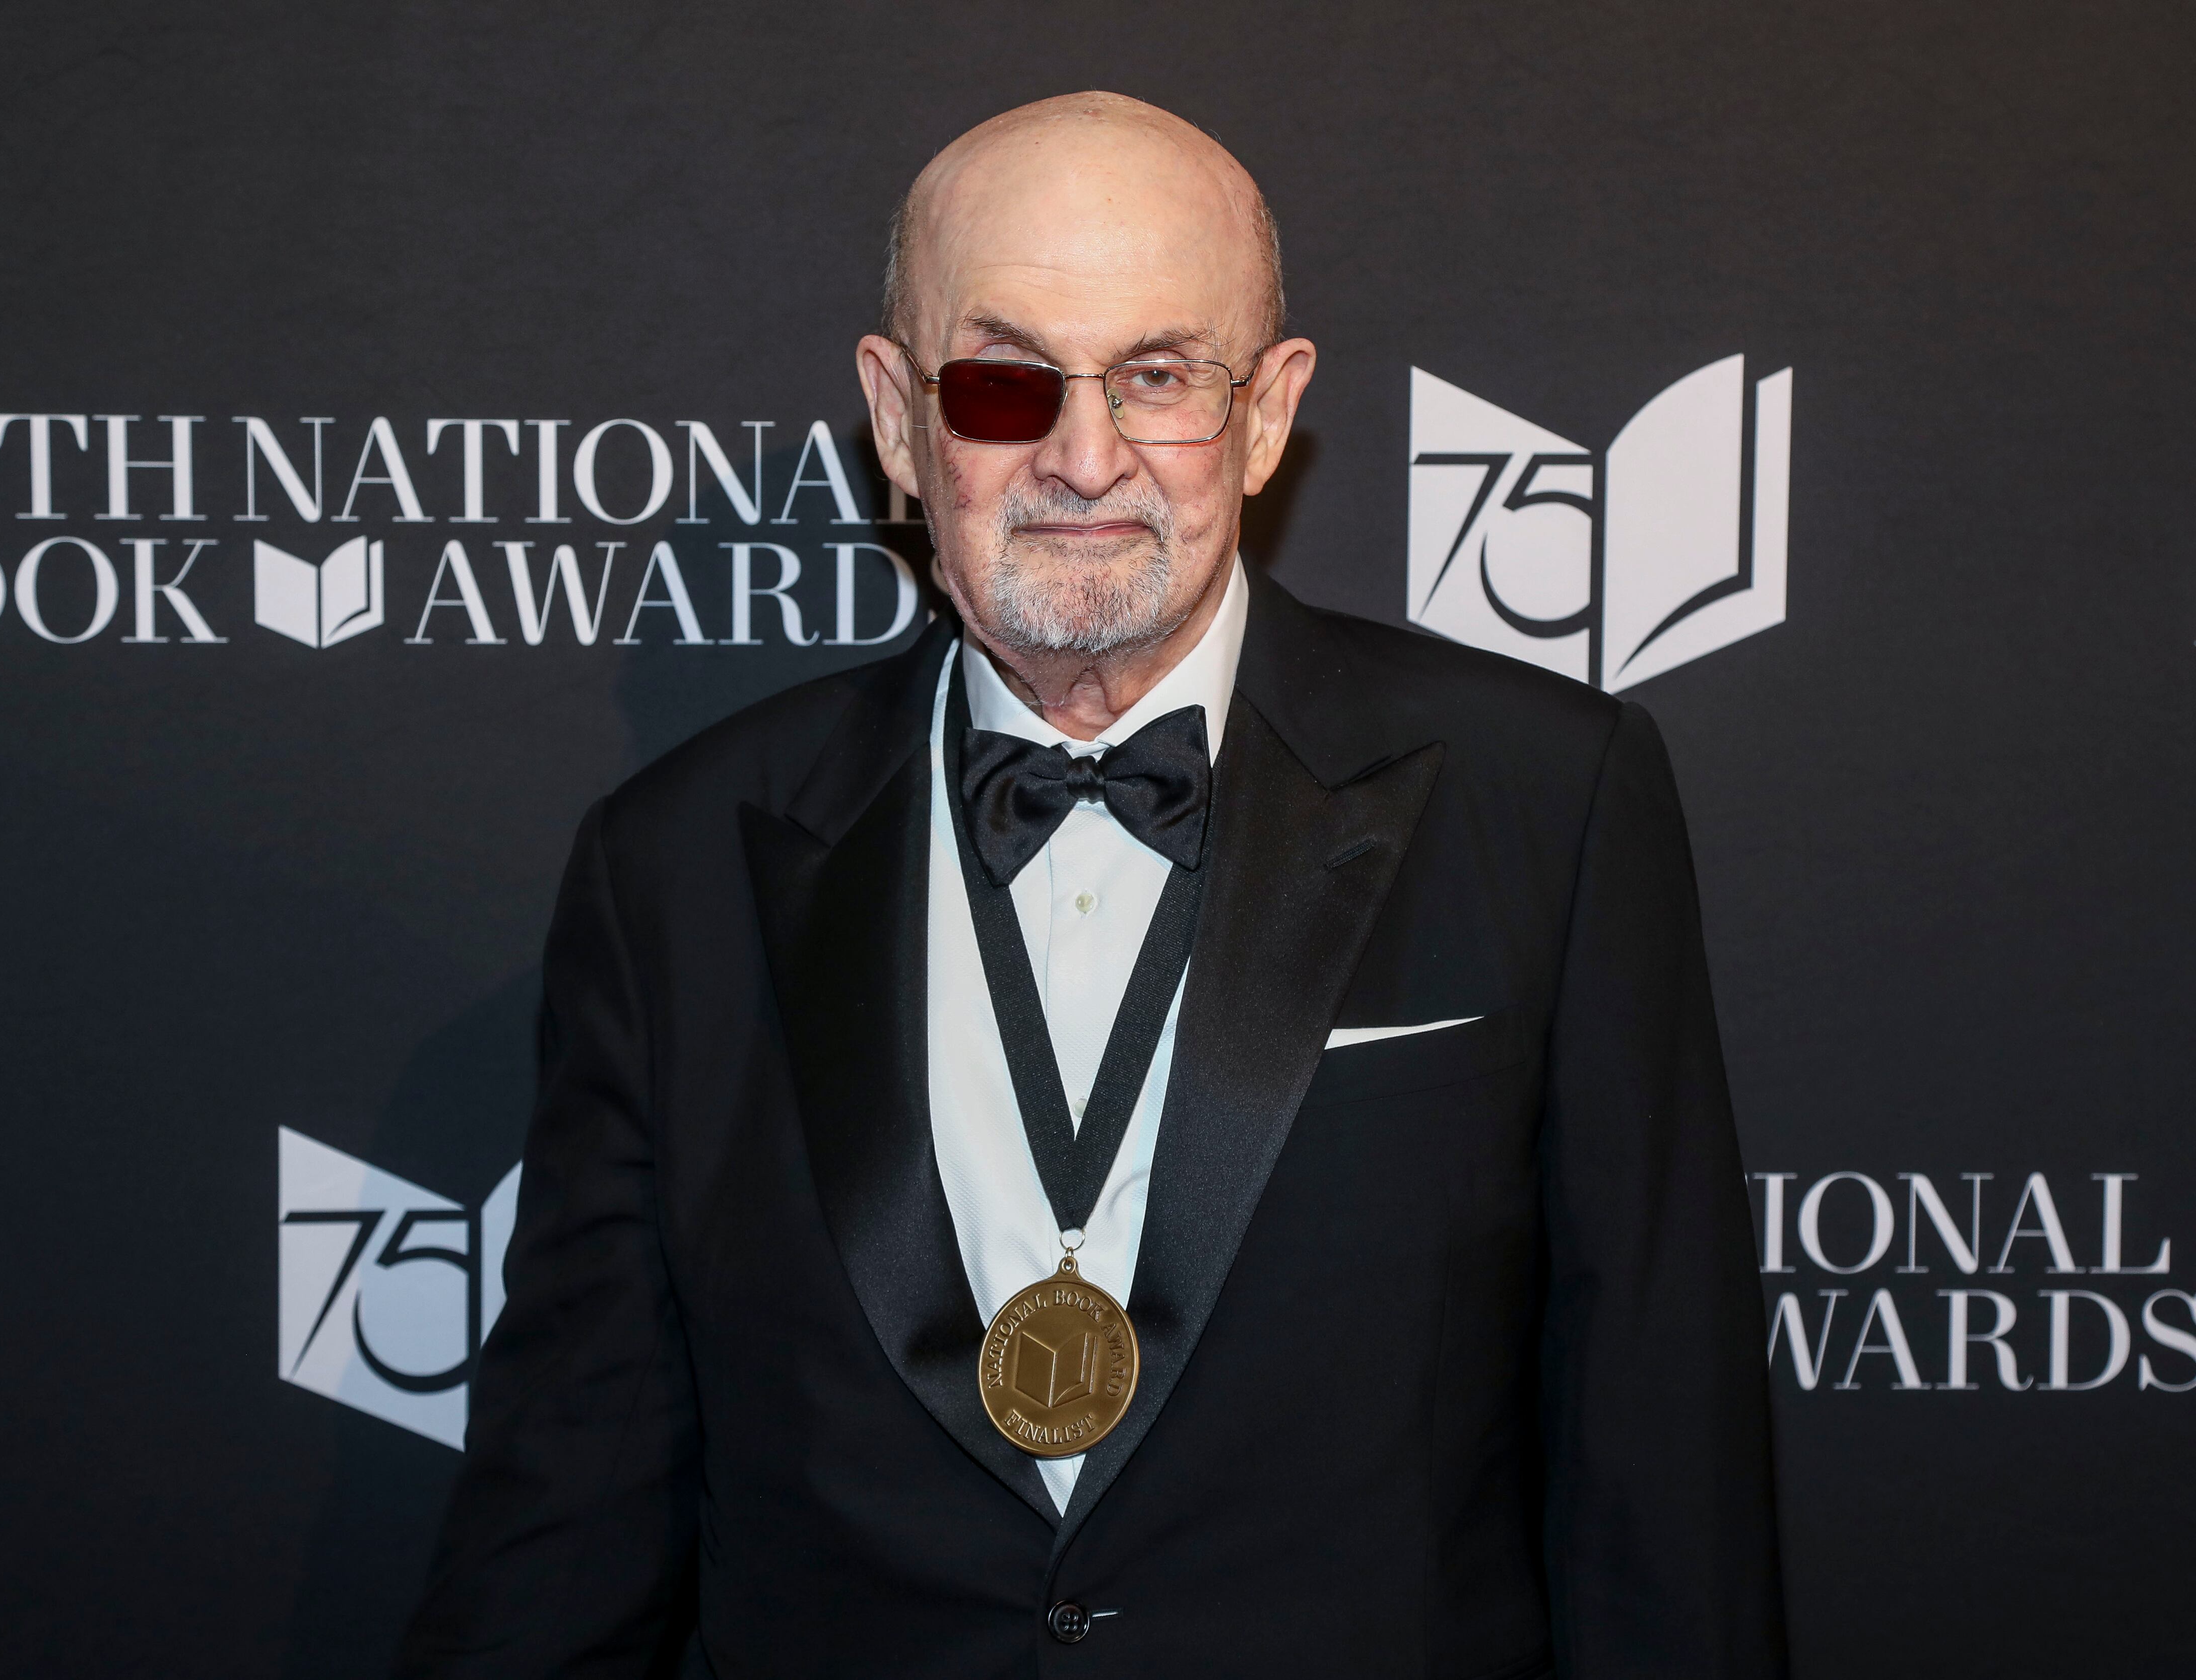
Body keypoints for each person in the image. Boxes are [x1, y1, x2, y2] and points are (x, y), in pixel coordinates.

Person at [398, 92, 1784, 1678]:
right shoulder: (678, 865)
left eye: (1160, 374)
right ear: (899, 416)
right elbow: (571, 1511)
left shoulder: (1551, 797)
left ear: (1268, 413)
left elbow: (1660, 1468)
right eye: (1001, 379)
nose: (1082, 455)